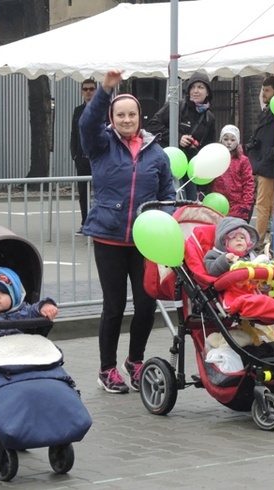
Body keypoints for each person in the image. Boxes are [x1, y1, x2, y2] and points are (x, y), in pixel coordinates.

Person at [79, 69, 176, 394]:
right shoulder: (101, 144)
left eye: (131, 114)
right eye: (120, 114)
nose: (126, 119)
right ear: (112, 117)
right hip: (108, 236)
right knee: (114, 306)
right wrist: (106, 89)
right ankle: (107, 369)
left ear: (140, 117)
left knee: (147, 304)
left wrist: (167, 219)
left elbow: (169, 193)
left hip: (145, 241)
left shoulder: (156, 152)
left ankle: (135, 362)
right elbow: (87, 124)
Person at [147, 72, 217, 201]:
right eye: (192, 87)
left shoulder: (209, 118)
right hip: (167, 164)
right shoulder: (176, 106)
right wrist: (178, 137)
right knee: (164, 202)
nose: (196, 91)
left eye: (200, 87)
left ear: (208, 92)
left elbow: (208, 148)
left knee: (188, 205)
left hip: (190, 171)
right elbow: (152, 126)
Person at [245, 75, 274, 245]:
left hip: (268, 166)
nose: (263, 94)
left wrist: (264, 159)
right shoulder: (268, 112)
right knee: (270, 205)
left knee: (263, 205)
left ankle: (258, 241)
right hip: (265, 164)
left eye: (267, 90)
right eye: (263, 90)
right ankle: (270, 239)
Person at [210, 125, 254, 221]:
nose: (229, 142)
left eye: (233, 140)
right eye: (225, 139)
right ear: (221, 140)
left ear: (237, 142)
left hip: (238, 205)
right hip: (218, 204)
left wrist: (246, 204)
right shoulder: (215, 159)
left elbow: (248, 183)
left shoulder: (243, 161)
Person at [70, 78, 97, 234]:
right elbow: (73, 133)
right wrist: (74, 154)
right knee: (83, 192)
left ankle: (98, 222)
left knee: (100, 190)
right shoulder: (78, 110)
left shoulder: (103, 109)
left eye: (91, 89)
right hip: (82, 158)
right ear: (81, 92)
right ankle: (85, 222)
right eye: (85, 89)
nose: (88, 92)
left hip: (98, 157)